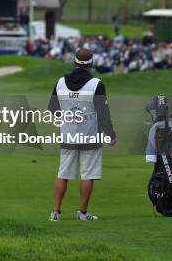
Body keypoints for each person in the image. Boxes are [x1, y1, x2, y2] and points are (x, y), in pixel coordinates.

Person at [48, 48, 116, 221]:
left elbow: (53, 110)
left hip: (68, 136)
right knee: (88, 175)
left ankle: (55, 213)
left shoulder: (60, 82)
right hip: (90, 137)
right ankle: (83, 213)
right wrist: (110, 135)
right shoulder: (96, 85)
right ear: (91, 64)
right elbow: (103, 114)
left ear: (74, 63)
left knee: (63, 174)